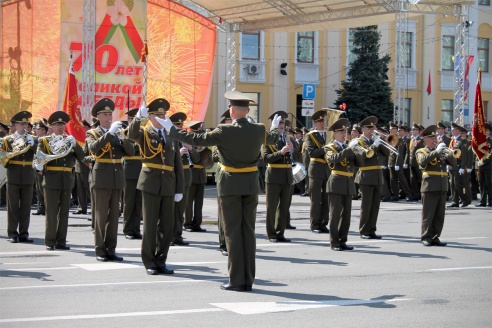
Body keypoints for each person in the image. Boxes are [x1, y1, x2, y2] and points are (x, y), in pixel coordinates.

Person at [160, 91, 280, 292]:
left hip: (230, 185)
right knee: (248, 232)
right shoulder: (259, 129)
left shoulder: (224, 130)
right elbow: (274, 137)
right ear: (248, 111)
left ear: (232, 111)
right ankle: (248, 279)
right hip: (250, 185)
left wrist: (171, 129)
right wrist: (275, 126)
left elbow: (196, 139)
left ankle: (236, 280)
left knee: (232, 232)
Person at [128, 98, 184, 275]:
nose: (161, 117)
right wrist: (138, 118)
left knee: (167, 226)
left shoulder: (172, 136)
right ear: (150, 117)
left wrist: (179, 189)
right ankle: (149, 262)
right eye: (157, 114)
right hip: (150, 183)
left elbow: (178, 165)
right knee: (150, 225)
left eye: (163, 114)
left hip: (168, 183)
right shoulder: (144, 133)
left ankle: (161, 260)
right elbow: (131, 135)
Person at [86, 98, 135, 262]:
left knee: (114, 216)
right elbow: (93, 148)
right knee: (101, 216)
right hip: (101, 177)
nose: (109, 117)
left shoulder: (118, 132)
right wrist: (110, 134)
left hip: (117, 177)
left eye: (110, 114)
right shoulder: (92, 133)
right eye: (105, 114)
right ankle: (100, 249)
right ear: (98, 117)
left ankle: (111, 249)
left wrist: (124, 138)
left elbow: (130, 152)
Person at [34, 111, 86, 250]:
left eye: (63, 124)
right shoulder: (45, 141)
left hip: (67, 180)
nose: (60, 127)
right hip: (51, 179)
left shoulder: (69, 140)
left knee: (64, 213)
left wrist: (75, 144)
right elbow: (38, 160)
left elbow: (83, 158)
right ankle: (50, 241)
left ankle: (61, 241)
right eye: (57, 124)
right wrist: (39, 166)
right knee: (51, 212)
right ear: (51, 126)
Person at [416, 125, 456, 246]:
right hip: (429, 186)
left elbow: (453, 163)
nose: (435, 140)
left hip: (442, 186)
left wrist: (449, 152)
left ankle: (435, 237)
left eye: (435, 138)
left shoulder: (440, 151)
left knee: (439, 215)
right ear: (425, 140)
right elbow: (422, 161)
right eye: (432, 138)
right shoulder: (421, 151)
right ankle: (425, 237)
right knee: (428, 214)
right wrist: (436, 151)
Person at [1, 111, 36, 243]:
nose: (24, 126)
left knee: (26, 206)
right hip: (14, 174)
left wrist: (33, 144)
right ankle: (12, 233)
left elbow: (39, 154)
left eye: (26, 123)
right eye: (21, 123)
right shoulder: (8, 140)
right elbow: (3, 157)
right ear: (16, 125)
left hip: (27, 174)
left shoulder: (31, 138)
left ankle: (24, 233)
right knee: (13, 206)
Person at [262, 111, 296, 243]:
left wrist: (292, 150)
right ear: (273, 124)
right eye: (279, 123)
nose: (282, 125)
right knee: (272, 207)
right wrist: (280, 153)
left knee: (284, 206)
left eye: (283, 123)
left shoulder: (288, 139)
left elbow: (298, 156)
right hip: (274, 175)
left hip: (287, 175)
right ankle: (271, 234)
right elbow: (265, 158)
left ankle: (280, 232)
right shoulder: (268, 139)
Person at [354, 116, 389, 239]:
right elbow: (363, 156)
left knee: (375, 205)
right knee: (366, 205)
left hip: (377, 176)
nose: (372, 130)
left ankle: (372, 230)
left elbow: (387, 154)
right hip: (366, 176)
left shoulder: (376, 140)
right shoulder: (358, 142)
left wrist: (381, 142)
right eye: (369, 128)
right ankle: (364, 230)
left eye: (373, 127)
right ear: (363, 129)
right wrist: (375, 145)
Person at [326, 118, 356, 251]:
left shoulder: (347, 146)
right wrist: (349, 149)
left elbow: (358, 163)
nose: (344, 134)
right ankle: (334, 242)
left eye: (345, 132)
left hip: (349, 183)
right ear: (334, 134)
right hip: (336, 183)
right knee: (335, 214)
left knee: (346, 215)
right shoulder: (329, 147)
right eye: (341, 132)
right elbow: (333, 159)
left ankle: (343, 240)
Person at [169, 112, 195, 246]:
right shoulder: (169, 137)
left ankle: (178, 235)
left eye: (181, 124)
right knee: (171, 208)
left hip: (186, 174)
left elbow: (197, 160)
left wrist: (191, 149)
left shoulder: (185, 138)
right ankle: (169, 236)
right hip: (173, 175)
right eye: (177, 124)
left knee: (180, 209)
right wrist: (178, 154)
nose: (180, 127)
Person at [304, 109, 330, 234]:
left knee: (326, 198)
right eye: (320, 121)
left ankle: (323, 223)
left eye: (323, 121)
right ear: (315, 123)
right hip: (316, 168)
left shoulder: (329, 135)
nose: (322, 123)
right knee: (315, 198)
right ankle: (314, 224)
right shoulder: (311, 135)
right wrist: (326, 148)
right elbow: (311, 152)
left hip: (327, 169)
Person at [122, 108, 143, 240]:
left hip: (141, 170)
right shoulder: (125, 133)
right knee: (129, 202)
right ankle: (128, 229)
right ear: (129, 120)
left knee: (138, 202)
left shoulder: (142, 133)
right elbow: (131, 150)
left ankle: (136, 228)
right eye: (132, 119)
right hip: (129, 171)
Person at [184, 121, 208, 233]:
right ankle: (187, 223)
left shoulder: (201, 141)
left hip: (201, 174)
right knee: (189, 201)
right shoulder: (188, 141)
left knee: (199, 202)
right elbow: (196, 158)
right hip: (192, 173)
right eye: (197, 131)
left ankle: (197, 223)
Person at [447, 123, 470, 208]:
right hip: (452, 165)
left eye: (453, 129)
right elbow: (450, 152)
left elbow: (464, 156)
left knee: (458, 184)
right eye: (451, 129)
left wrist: (463, 167)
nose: (452, 131)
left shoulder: (462, 141)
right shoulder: (452, 140)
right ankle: (455, 201)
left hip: (458, 165)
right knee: (452, 184)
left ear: (458, 131)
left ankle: (466, 199)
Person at [73, 119, 92, 215]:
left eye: (84, 127)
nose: (82, 129)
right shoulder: (77, 137)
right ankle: (82, 207)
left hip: (86, 165)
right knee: (80, 188)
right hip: (78, 165)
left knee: (89, 188)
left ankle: (94, 206)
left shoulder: (90, 137)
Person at [32, 118, 49, 216]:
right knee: (38, 188)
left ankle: (47, 207)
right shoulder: (35, 139)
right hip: (35, 165)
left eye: (38, 129)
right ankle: (41, 208)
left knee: (44, 188)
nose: (35, 131)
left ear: (43, 130)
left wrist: (42, 168)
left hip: (43, 167)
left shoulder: (47, 140)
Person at [476, 123, 491, 207]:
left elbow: (490, 155)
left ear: (489, 131)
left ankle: (490, 201)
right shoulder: (480, 141)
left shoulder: (490, 141)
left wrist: (483, 162)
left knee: (489, 184)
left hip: (488, 167)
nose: (485, 132)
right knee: (481, 184)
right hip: (480, 166)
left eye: (487, 130)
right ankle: (483, 201)